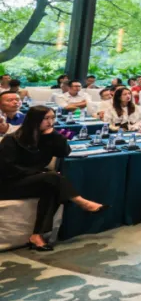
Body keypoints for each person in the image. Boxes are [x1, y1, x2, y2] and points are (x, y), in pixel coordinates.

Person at [0, 106, 105, 251]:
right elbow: (7, 168)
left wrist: (55, 135)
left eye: (52, 118)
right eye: (46, 118)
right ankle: (81, 202)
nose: (50, 122)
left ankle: (37, 236)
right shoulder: (12, 139)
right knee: (52, 177)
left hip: (30, 180)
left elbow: (65, 152)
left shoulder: (46, 138)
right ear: (34, 120)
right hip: (7, 184)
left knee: (52, 188)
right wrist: (38, 174)